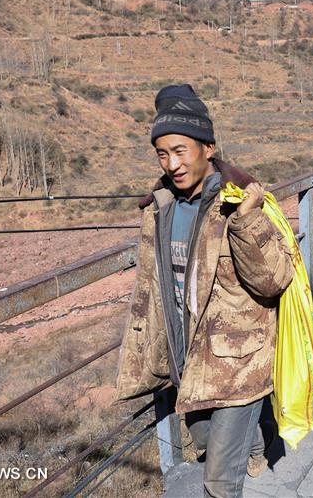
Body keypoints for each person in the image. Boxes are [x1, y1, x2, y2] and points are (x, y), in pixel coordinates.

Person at [115, 84, 294, 498]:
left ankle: (246, 445)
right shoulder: (159, 207)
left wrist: (247, 223)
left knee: (218, 482)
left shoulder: (239, 201)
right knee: (203, 440)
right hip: (188, 359)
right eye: (162, 154)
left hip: (238, 363)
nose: (172, 164)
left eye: (181, 150)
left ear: (208, 147)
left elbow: (274, 281)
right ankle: (255, 446)